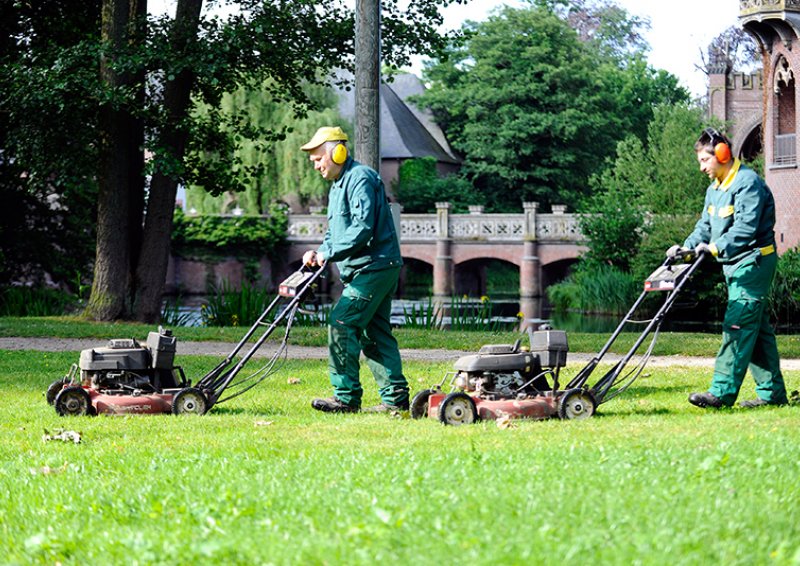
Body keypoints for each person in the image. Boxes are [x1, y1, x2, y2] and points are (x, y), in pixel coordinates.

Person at [666, 128, 788, 409]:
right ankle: (772, 395)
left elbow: (745, 228)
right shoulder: (715, 189)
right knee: (755, 329)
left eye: (704, 161)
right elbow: (704, 227)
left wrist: (715, 247)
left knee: (738, 324)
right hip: (733, 267)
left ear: (722, 154)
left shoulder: (748, 183)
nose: (702, 168)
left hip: (753, 264)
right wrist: (685, 248)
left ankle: (720, 393)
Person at [300, 126, 409, 413]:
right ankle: (395, 401)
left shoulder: (360, 178)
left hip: (375, 266)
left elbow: (362, 228)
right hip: (367, 268)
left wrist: (328, 253)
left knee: (342, 322)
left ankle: (345, 398)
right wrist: (319, 252)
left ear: (337, 152)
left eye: (317, 159)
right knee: (375, 334)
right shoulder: (337, 186)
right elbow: (334, 234)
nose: (315, 165)